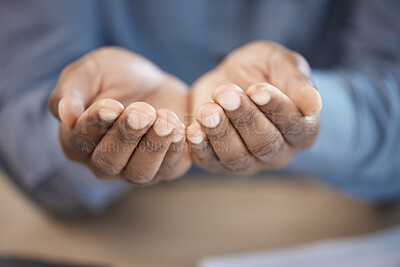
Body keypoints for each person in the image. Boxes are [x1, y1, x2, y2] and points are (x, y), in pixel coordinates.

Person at [0, 0, 399, 217]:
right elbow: (24, 109)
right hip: (117, 235)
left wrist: (304, 112)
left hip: (335, 223)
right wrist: (79, 131)